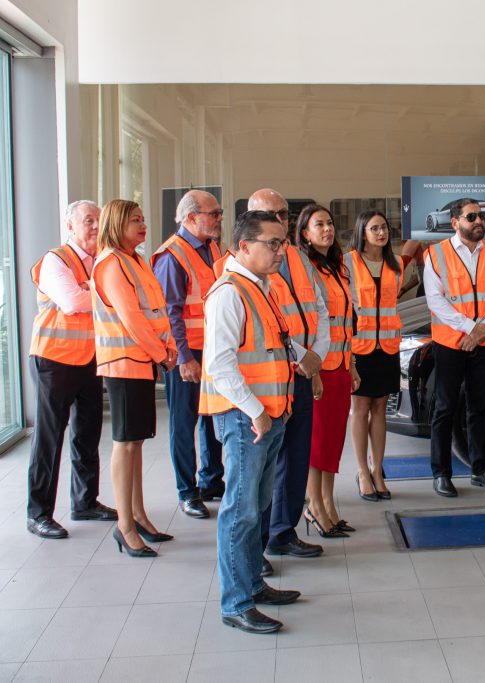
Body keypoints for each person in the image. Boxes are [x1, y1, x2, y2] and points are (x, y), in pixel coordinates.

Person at [200, 210, 302, 634]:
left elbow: (271, 342)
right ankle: (236, 602)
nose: (281, 251)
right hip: (247, 419)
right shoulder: (229, 292)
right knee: (240, 512)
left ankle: (253, 585)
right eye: (273, 243)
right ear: (244, 246)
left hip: (269, 415)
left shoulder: (261, 287)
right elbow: (221, 364)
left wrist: (299, 354)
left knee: (257, 507)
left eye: (282, 243)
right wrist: (256, 411)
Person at [26, 200, 117, 539]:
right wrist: (101, 291)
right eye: (87, 220)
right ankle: (38, 514)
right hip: (54, 359)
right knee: (49, 438)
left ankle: (85, 501)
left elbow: (95, 299)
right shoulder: (55, 260)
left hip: (90, 358)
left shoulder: (98, 262)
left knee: (87, 434)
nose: (95, 226)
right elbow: (73, 303)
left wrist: (91, 289)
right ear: (70, 226)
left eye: (98, 220)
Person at [91, 199, 177, 556]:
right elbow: (132, 319)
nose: (142, 226)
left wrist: (167, 348)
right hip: (124, 363)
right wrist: (161, 353)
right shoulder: (111, 264)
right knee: (125, 444)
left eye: (143, 219)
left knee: (137, 442)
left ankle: (138, 514)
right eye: (134, 221)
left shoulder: (136, 260)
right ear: (116, 223)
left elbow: (156, 311)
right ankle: (124, 526)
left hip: (143, 361)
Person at [248, 189, 328, 562]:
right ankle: (257, 543)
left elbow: (322, 310)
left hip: (303, 370)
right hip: (269, 378)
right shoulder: (243, 265)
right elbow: (264, 328)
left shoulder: (297, 256)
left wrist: (316, 357)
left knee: (297, 456)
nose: (281, 219)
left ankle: (283, 530)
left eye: (284, 213)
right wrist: (302, 357)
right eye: (272, 213)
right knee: (263, 468)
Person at [424, 198, 485, 497]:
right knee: (445, 408)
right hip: (450, 343)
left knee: (479, 408)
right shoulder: (435, 255)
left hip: (483, 343)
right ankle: (441, 473)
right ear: (455, 222)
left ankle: (480, 470)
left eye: (481, 216)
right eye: (471, 216)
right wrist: (469, 328)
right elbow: (436, 301)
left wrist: (480, 330)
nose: (479, 222)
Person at [152, 190, 224, 521]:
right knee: (184, 423)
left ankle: (211, 481)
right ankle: (187, 491)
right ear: (191, 218)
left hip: (213, 349)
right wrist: (184, 358)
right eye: (214, 213)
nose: (219, 218)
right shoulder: (172, 256)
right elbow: (172, 313)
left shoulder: (211, 248)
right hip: (188, 353)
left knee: (212, 418)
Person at [295, 204, 360, 536]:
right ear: (305, 233)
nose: (327, 229)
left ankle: (329, 503)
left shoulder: (339, 267)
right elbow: (307, 324)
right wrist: (314, 369)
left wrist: (352, 364)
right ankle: (314, 505)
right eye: (318, 224)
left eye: (330, 223)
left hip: (341, 365)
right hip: (319, 368)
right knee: (317, 442)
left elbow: (348, 321)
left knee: (333, 441)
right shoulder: (304, 268)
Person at [344, 210, 404, 501]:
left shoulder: (396, 263)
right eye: (374, 228)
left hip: (388, 348)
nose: (381, 233)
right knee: (360, 409)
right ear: (362, 232)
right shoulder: (348, 262)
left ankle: (378, 470)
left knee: (381, 408)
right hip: (359, 349)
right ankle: (361, 471)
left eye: (384, 228)